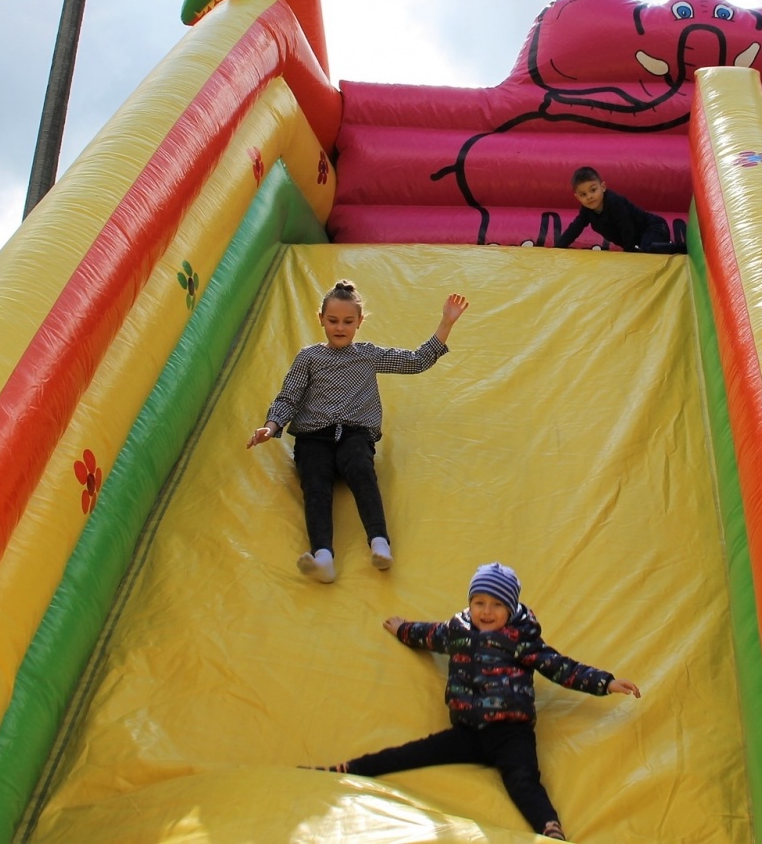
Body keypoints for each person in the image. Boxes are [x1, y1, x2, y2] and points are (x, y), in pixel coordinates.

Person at [314, 563, 641, 840]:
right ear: (470, 603)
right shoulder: (457, 630)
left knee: (523, 780)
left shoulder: (522, 641)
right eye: (479, 602)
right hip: (468, 731)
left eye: (497, 605)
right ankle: (354, 768)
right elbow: (428, 635)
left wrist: (606, 682)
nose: (486, 612)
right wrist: (402, 629)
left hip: (510, 732)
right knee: (412, 753)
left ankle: (548, 828)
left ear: (510, 609)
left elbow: (560, 667)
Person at [247, 280, 468, 583]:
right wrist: (270, 427)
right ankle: (323, 556)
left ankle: (379, 543)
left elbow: (415, 362)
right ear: (321, 319)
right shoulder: (309, 357)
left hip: (354, 434)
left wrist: (446, 323)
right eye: (333, 321)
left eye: (348, 321)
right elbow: (289, 397)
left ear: (360, 322)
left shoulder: (367, 355)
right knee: (315, 484)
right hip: (314, 436)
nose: (340, 327)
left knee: (362, 471)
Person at [554, 166, 684, 253]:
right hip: (640, 238)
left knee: (648, 250)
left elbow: (625, 225)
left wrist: (629, 249)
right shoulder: (586, 211)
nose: (589, 197)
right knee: (645, 251)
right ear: (577, 198)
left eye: (593, 190)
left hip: (654, 226)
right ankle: (657, 246)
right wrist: (558, 247)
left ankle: (682, 248)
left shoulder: (613, 201)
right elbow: (575, 228)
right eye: (583, 195)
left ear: (603, 187)